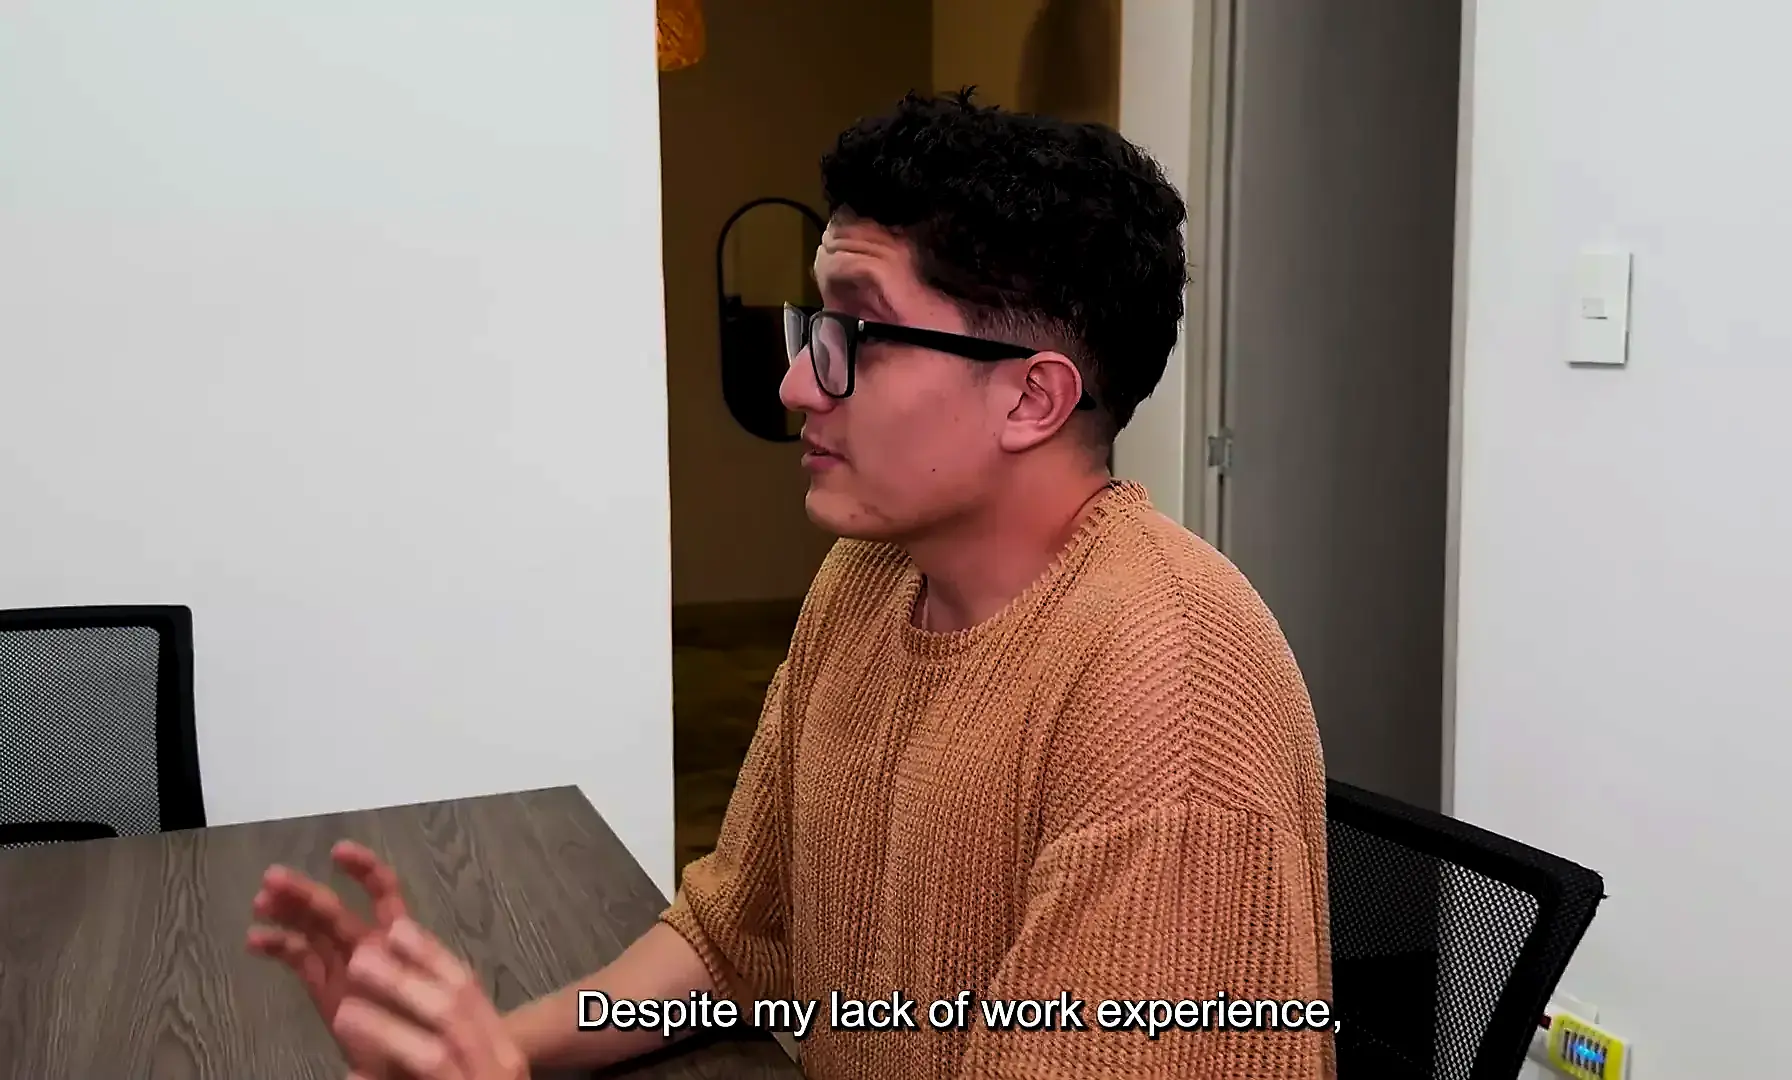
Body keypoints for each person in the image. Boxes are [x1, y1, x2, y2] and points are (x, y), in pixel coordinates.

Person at [247, 88, 1335, 1080]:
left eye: (855, 332)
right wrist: (492, 1051)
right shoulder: (867, 580)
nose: (797, 381)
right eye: (815, 326)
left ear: (1031, 400)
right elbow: (736, 939)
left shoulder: (1168, 692)